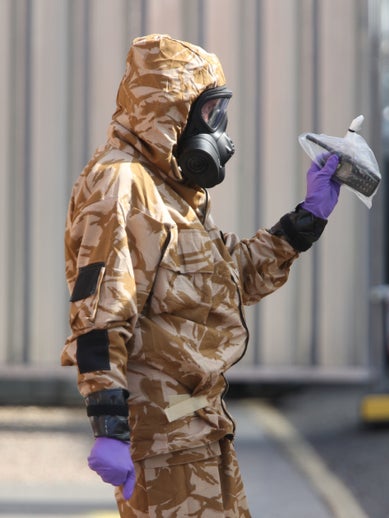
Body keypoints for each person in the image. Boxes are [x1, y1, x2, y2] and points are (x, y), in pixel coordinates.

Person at [61, 34, 341, 517]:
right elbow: (101, 313)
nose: (219, 132)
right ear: (171, 112)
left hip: (201, 430)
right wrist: (108, 425)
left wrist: (307, 219)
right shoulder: (120, 184)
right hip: (164, 445)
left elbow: (230, 275)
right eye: (209, 114)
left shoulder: (170, 192)